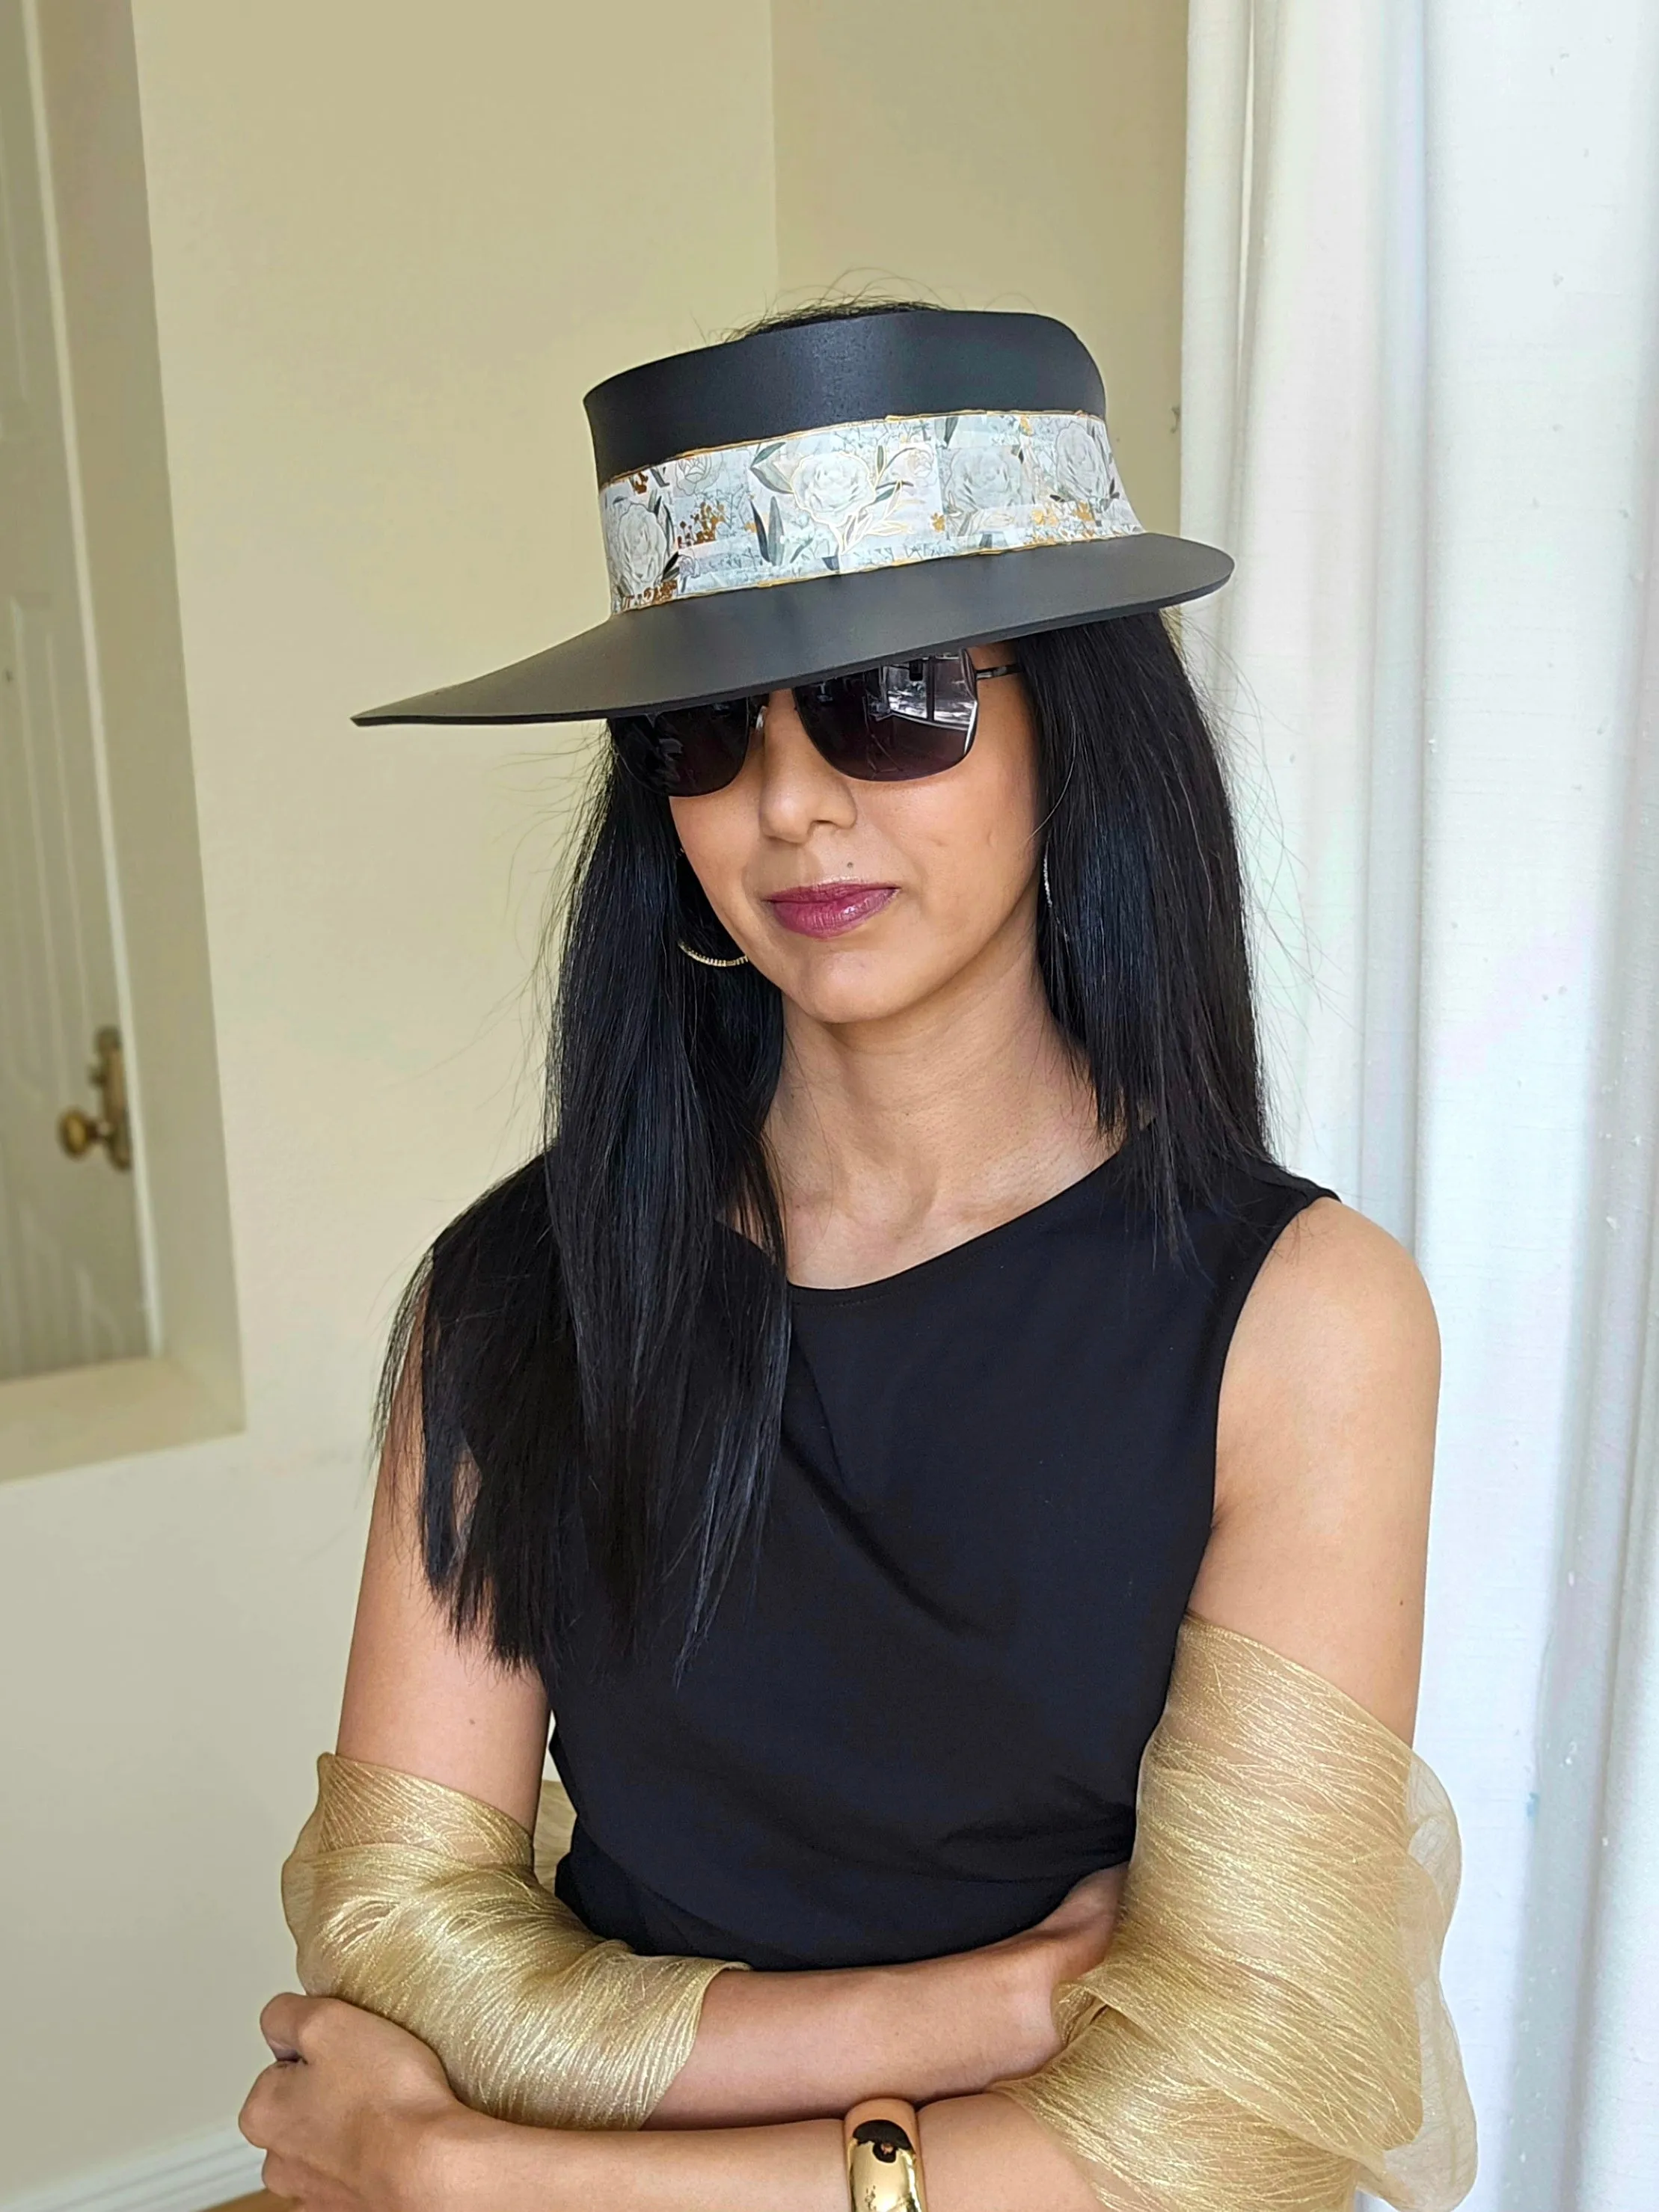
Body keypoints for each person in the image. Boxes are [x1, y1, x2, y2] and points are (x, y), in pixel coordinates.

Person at [241, 300, 1474, 2211]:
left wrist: (492, 2175)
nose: (788, 799)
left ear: (1078, 727)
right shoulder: (517, 1289)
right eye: (704, 727)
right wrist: (971, 2015)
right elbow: (398, 1937)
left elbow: (1235, 2102)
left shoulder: (1300, 1321)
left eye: (896, 700)